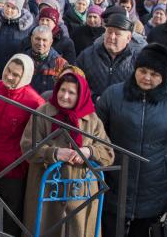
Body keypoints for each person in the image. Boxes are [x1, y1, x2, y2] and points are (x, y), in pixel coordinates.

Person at [97, 43, 167, 236]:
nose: (147, 78)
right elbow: (96, 134)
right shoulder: (113, 95)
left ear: (164, 77)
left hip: (156, 186)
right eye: (143, 71)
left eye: (155, 74)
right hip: (115, 179)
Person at [22, 69, 115, 236]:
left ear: (81, 95)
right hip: (49, 188)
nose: (64, 96)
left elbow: (108, 153)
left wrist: (88, 151)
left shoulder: (91, 119)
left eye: (71, 92)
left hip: (81, 192)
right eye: (62, 90)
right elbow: (28, 146)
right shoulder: (43, 113)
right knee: (45, 229)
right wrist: (55, 153)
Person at [0, 54, 44, 235]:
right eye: (8, 71)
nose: (10, 77)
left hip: (14, 170)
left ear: (26, 77)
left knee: (11, 219)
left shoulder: (34, 102)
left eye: (16, 75)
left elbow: (34, 138)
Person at [76, 13, 138, 100]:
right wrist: (94, 97)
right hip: (91, 108)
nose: (111, 37)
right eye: (109, 32)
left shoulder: (136, 60)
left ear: (128, 38)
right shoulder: (87, 55)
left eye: (117, 34)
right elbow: (75, 81)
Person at [0, 0, 34, 76]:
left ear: (19, 9)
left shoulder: (26, 28)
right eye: (7, 6)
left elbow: (27, 50)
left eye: (13, 8)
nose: (9, 10)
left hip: (13, 72)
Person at [23, 25, 69, 96]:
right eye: (37, 39)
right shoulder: (22, 59)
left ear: (51, 42)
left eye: (44, 40)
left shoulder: (61, 64)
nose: (40, 43)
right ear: (31, 39)